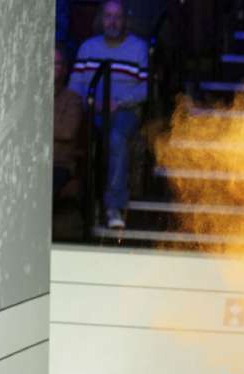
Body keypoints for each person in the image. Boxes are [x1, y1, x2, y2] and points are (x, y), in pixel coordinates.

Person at [67, 0, 148, 229]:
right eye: (108, 16)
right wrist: (92, 103)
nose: (112, 21)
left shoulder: (138, 48)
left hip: (125, 111)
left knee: (116, 138)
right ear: (101, 19)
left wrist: (118, 102)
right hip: (91, 110)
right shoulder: (88, 48)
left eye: (117, 16)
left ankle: (113, 206)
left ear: (125, 21)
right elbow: (75, 86)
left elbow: (145, 89)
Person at [53, 45, 83, 200]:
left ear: (64, 69)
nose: (53, 68)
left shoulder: (72, 99)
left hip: (59, 164)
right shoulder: (30, 97)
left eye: (57, 64)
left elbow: (67, 131)